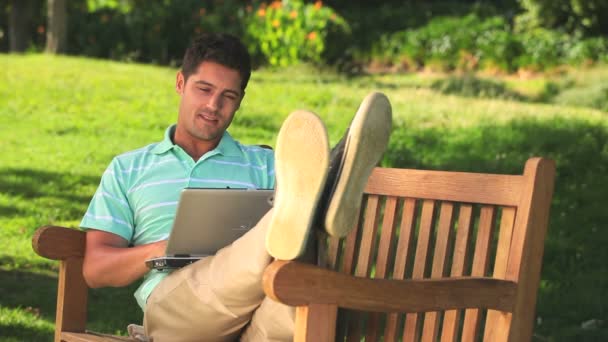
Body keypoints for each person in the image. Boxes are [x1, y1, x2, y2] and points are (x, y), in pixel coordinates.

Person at [80, 33, 392, 341]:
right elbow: (95, 269)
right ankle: (321, 193)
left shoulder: (268, 164)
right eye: (204, 89)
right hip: (178, 313)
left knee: (290, 303)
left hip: (256, 315)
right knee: (284, 221)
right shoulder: (129, 168)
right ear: (180, 84)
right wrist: (160, 250)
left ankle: (313, 202)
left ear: (239, 102)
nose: (213, 105)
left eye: (228, 96)